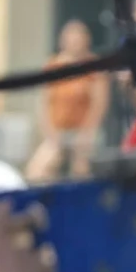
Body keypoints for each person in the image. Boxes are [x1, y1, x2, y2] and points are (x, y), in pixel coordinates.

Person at [26, 19, 108, 181]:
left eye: (79, 37)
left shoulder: (93, 67)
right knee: (37, 170)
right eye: (71, 37)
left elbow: (99, 104)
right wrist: (51, 134)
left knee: (81, 169)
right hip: (58, 132)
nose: (75, 42)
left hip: (84, 133)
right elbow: (44, 103)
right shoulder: (52, 66)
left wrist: (86, 133)